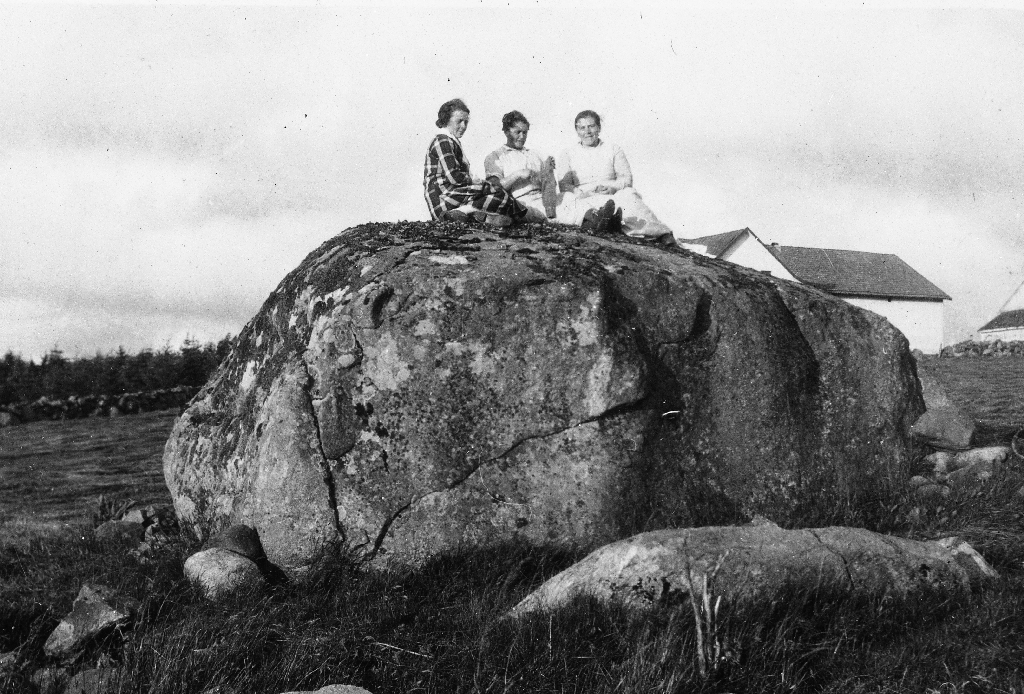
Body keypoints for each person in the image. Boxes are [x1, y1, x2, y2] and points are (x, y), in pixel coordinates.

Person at [556, 110, 674, 240]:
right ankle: (600, 222)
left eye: (591, 126)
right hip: (584, 197)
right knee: (566, 200)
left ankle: (660, 233)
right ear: (577, 131)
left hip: (612, 195)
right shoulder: (567, 153)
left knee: (630, 196)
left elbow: (626, 178)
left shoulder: (613, 149)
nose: (587, 132)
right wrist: (583, 193)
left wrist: (612, 188)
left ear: (599, 128)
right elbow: (564, 184)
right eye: (582, 128)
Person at [423, 98, 526, 227]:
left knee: (495, 195)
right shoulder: (443, 141)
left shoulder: (451, 141)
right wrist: (475, 181)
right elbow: (454, 177)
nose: (463, 126)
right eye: (459, 121)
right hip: (442, 198)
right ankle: (467, 211)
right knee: (497, 192)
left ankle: (470, 215)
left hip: (452, 197)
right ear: (446, 120)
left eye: (466, 122)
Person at [483, 110, 557, 223]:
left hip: (543, 201)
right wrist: (517, 174)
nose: (522, 137)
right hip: (520, 202)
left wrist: (548, 171)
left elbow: (548, 187)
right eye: (517, 132)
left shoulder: (535, 155)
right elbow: (494, 187)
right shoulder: (496, 156)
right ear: (506, 132)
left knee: (568, 197)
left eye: (525, 132)